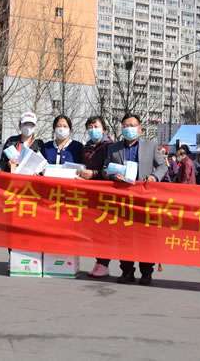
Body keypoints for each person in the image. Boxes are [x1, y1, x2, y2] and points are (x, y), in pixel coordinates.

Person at [103, 113, 168, 286]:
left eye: (132, 125)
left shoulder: (150, 146)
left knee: (145, 237)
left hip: (144, 198)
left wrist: (154, 177)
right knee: (124, 237)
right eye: (125, 125)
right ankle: (127, 271)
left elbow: (162, 166)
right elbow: (105, 168)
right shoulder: (113, 148)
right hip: (123, 198)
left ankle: (146, 272)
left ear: (140, 129)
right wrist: (112, 175)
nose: (128, 128)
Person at [78, 116, 114, 278]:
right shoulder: (87, 147)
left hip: (106, 193)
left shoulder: (109, 147)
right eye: (90, 127)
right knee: (94, 230)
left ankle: (103, 263)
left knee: (104, 230)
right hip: (90, 193)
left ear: (104, 129)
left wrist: (93, 173)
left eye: (96, 126)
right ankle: (99, 262)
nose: (93, 130)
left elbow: (110, 169)